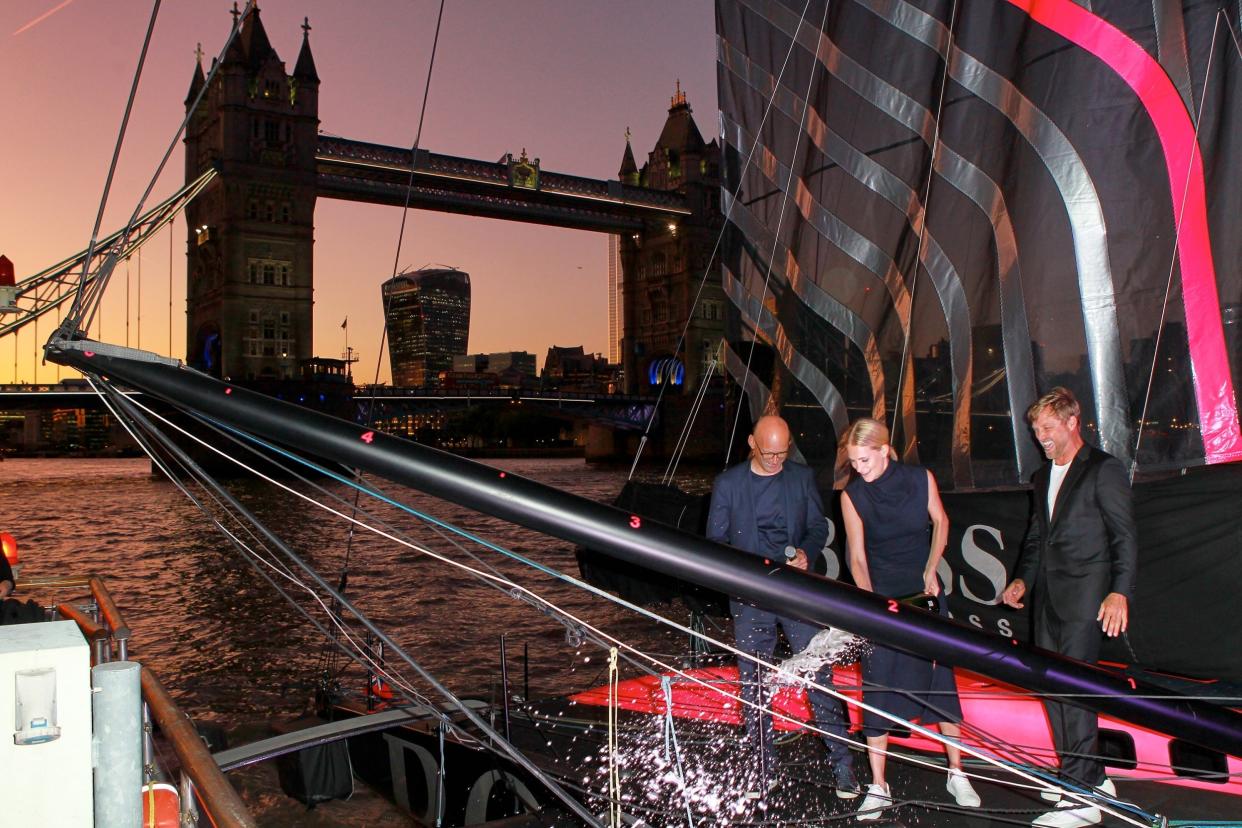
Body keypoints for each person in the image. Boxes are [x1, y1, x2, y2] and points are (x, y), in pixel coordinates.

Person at [1002, 387, 1137, 828]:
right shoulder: (1043, 477)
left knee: (1075, 693)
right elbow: (1038, 539)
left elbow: (1124, 536)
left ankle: (1080, 801)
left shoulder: (1103, 469)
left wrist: (1119, 591)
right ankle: (1091, 777)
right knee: (1053, 690)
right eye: (1035, 428)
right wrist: (1023, 578)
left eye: (1046, 427)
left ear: (1071, 421)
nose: (1039, 435)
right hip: (1048, 602)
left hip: (1086, 600)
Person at [707, 414, 859, 800]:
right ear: (751, 444)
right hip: (750, 598)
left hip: (795, 593)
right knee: (753, 683)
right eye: (770, 453)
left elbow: (818, 526)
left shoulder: (800, 477)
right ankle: (764, 769)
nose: (777, 460)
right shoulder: (728, 485)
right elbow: (715, 542)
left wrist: (807, 551)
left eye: (783, 452)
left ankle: (843, 766)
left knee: (818, 675)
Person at [839, 417, 981, 821]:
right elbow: (857, 556)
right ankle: (879, 786)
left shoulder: (920, 478)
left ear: (884, 450)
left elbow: (941, 521)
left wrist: (932, 566)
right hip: (882, 595)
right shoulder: (852, 495)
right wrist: (871, 603)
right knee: (878, 688)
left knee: (941, 684)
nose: (858, 469)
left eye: (864, 460)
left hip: (926, 593)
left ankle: (957, 772)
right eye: (853, 462)